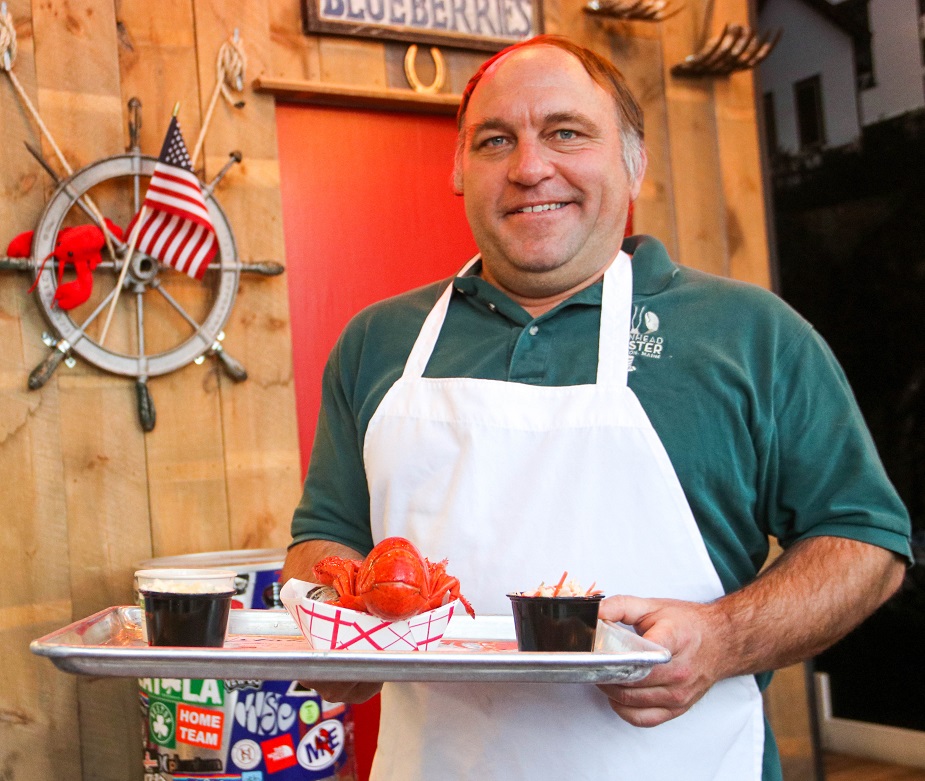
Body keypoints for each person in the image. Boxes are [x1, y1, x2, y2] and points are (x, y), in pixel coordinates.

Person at [282, 34, 911, 780]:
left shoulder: (750, 334)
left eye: (565, 132)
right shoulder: (378, 341)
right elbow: (326, 534)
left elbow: (865, 543)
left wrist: (723, 637)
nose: (528, 167)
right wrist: (334, 619)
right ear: (457, 168)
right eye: (494, 140)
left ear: (632, 161)